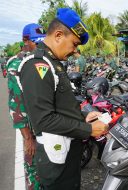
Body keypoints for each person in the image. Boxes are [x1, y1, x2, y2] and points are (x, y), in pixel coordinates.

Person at [19, 8, 107, 190]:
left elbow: (61, 106)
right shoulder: (38, 65)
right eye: (74, 44)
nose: (75, 51)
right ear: (58, 35)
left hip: (66, 153)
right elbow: (44, 120)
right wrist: (88, 129)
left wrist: (84, 116)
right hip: (56, 160)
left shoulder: (53, 63)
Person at [6, 23, 46, 190]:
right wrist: (28, 138)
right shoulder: (16, 64)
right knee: (34, 172)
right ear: (25, 41)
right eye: (36, 42)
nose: (40, 46)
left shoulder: (42, 59)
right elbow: (16, 104)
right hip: (32, 129)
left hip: (48, 126)